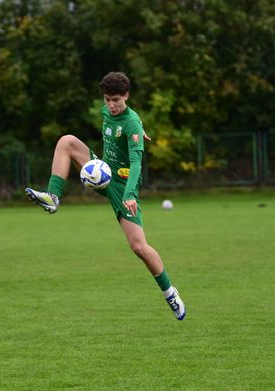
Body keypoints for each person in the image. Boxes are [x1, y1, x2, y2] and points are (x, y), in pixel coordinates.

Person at [25, 72, 186, 320]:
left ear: (126, 96)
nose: (111, 105)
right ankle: (53, 196)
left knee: (139, 247)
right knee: (66, 141)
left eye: (116, 100)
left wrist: (130, 194)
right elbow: (125, 121)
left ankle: (169, 292)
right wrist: (139, 128)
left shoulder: (131, 122)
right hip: (103, 171)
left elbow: (136, 162)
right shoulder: (107, 112)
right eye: (107, 100)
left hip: (123, 186)